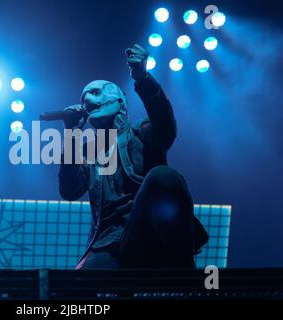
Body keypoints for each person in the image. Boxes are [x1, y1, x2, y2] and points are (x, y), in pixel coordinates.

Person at [58, 44, 209, 269]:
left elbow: (166, 127)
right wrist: (71, 133)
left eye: (96, 92)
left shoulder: (141, 132)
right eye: (84, 98)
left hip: (145, 229)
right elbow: (70, 191)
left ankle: (181, 262)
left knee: (163, 176)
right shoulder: (88, 152)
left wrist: (143, 78)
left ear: (120, 100)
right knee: (72, 291)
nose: (88, 99)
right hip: (105, 244)